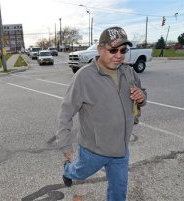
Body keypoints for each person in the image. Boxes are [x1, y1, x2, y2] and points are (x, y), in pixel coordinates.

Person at [56, 27, 147, 201]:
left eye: (123, 50)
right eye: (113, 50)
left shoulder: (129, 72)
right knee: (79, 174)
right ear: (100, 49)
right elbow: (65, 112)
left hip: (121, 149)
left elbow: (142, 94)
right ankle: (68, 170)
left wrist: (142, 97)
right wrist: (65, 145)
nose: (119, 55)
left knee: (119, 193)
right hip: (93, 149)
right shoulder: (84, 77)